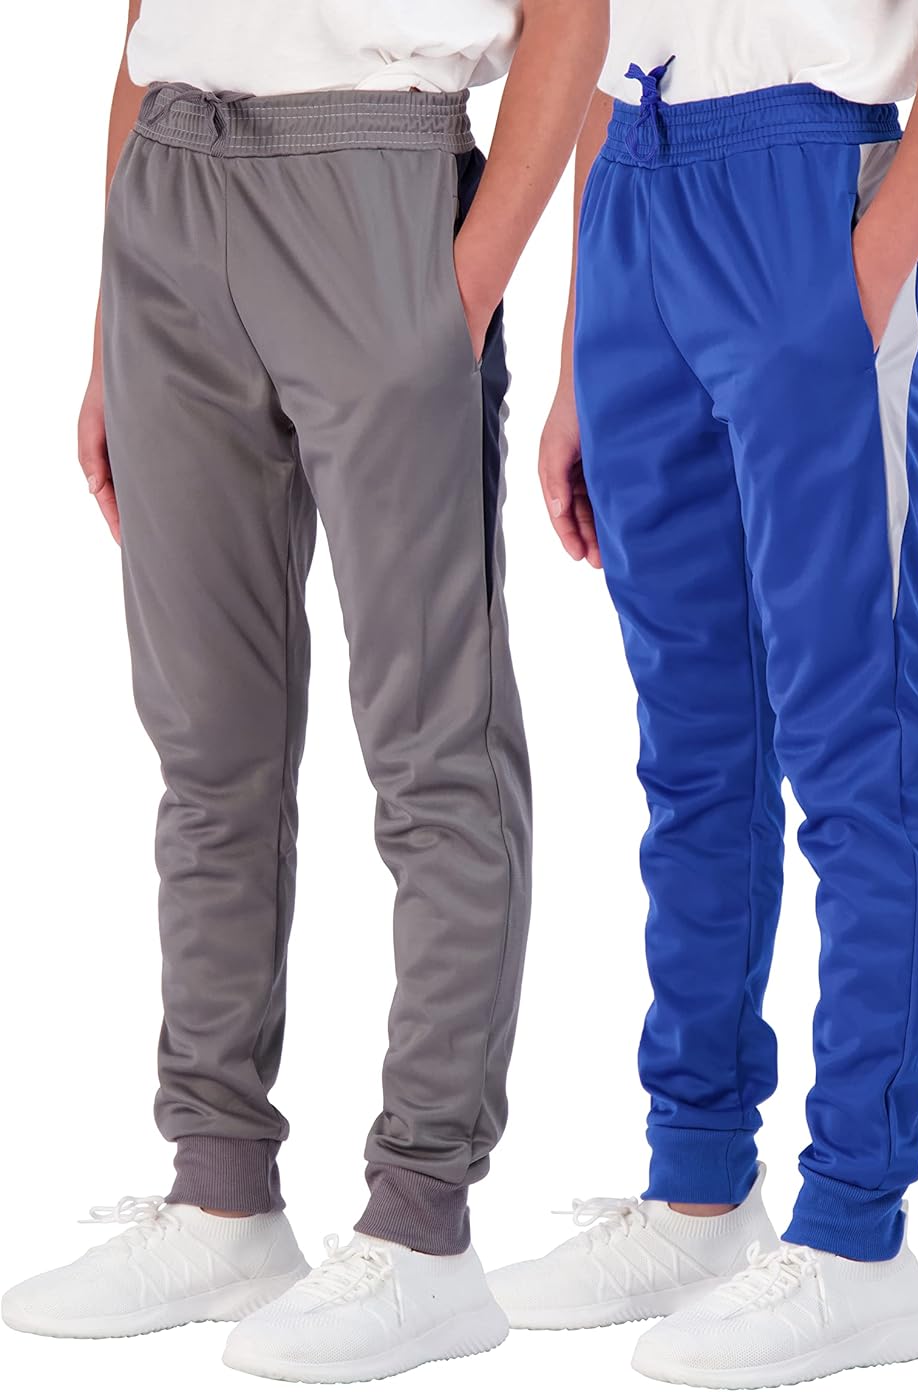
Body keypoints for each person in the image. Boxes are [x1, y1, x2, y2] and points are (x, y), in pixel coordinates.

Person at [0, 1, 607, 1381]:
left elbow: (574, 14)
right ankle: (221, 1191)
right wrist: (108, 323)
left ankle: (424, 1225)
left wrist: (462, 295)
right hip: (169, 187)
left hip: (379, 183)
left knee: (435, 747)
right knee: (206, 748)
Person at [484, 1, 918, 1385]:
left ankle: (857, 1232)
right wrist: (580, 347)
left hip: (811, 180)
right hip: (633, 184)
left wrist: (876, 261)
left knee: (855, 740)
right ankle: (700, 1187)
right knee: (691, 754)